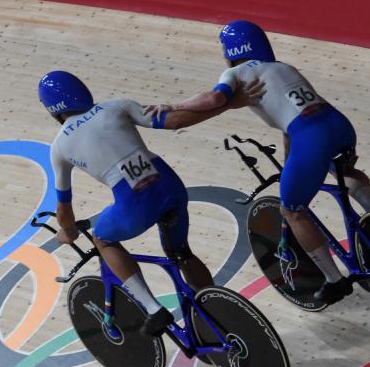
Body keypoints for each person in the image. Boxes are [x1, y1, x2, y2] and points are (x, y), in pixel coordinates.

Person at [146, 20, 370, 305]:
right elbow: (290, 122)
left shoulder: (236, 72)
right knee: (343, 170)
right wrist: (289, 163)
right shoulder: (285, 67)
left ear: (232, 50)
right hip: (339, 125)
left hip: (310, 138)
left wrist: (175, 105)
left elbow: (215, 98)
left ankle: (335, 281)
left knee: (292, 210)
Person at [38, 70, 264, 336]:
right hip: (170, 186)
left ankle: (154, 310)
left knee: (102, 238)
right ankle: (217, 311)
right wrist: (229, 104)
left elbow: (64, 206)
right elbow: (175, 121)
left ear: (53, 109)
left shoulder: (60, 146)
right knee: (181, 254)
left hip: (135, 205)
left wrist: (68, 230)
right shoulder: (115, 106)